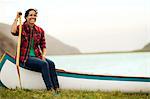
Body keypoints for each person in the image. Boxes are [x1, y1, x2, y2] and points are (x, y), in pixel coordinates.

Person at [11, 8, 59, 92]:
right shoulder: (22, 28)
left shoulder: (40, 30)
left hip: (37, 56)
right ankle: (49, 89)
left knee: (51, 63)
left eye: (34, 15)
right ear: (26, 17)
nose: (33, 17)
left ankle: (57, 88)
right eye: (30, 15)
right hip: (25, 57)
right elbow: (13, 31)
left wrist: (43, 55)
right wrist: (16, 18)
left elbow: (43, 46)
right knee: (44, 64)